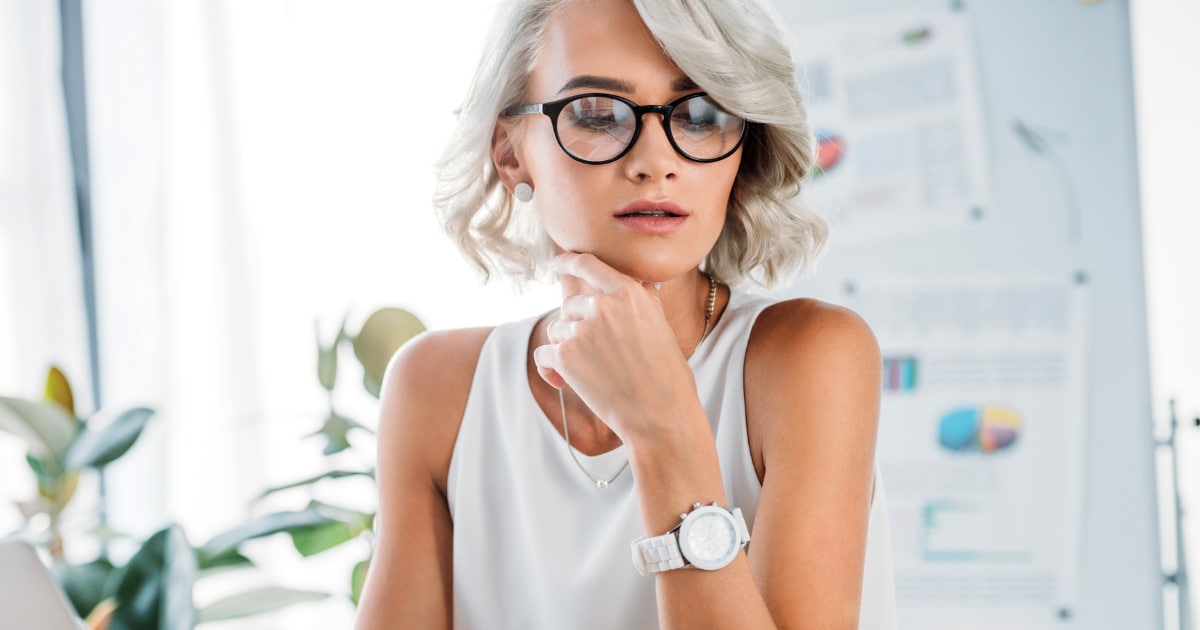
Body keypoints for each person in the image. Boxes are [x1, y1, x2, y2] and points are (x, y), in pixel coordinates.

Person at [355, 0, 896, 628]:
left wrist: (665, 432)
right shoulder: (436, 390)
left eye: (699, 114)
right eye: (596, 114)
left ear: (741, 150)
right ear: (510, 152)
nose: (655, 160)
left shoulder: (809, 358)